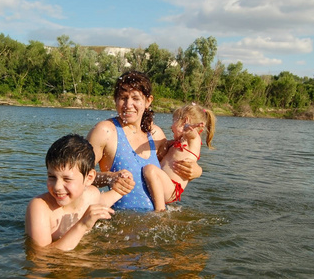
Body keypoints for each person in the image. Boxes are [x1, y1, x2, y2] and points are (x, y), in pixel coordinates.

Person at [87, 71, 203, 210]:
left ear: (148, 101)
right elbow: (75, 176)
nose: (128, 105)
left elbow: (172, 167)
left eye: (136, 98)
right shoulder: (105, 131)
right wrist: (109, 177)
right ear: (116, 100)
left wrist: (197, 171)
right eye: (123, 98)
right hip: (119, 225)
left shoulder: (155, 134)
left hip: (157, 225)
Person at [25, 134, 132, 251]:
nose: (57, 186)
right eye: (52, 177)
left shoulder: (91, 196)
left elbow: (105, 201)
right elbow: (40, 258)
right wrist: (82, 225)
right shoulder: (41, 208)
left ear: (89, 178)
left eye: (67, 179)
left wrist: (125, 184)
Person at [143, 103, 216, 211]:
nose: (171, 126)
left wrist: (188, 129)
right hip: (165, 185)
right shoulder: (177, 142)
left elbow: (193, 135)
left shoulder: (192, 141)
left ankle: (160, 211)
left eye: (173, 120)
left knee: (150, 169)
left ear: (185, 121)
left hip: (172, 188)